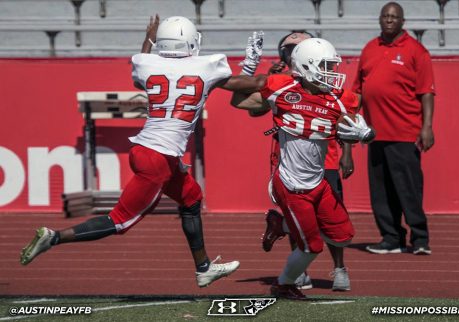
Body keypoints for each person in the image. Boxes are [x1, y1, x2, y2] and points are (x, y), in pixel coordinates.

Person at [19, 14, 254, 288]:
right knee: (119, 221)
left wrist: (148, 39)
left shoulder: (146, 62)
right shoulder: (207, 65)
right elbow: (243, 86)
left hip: (150, 151)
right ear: (191, 41)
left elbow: (138, 76)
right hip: (159, 159)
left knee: (191, 197)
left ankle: (204, 268)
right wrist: (250, 63)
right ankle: (54, 237)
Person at [231, 37, 376, 299]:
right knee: (312, 246)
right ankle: (284, 283)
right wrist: (250, 65)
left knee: (343, 236)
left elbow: (352, 122)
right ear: (307, 66)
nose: (333, 73)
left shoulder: (339, 98)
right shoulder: (282, 86)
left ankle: (282, 225)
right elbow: (242, 103)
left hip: (318, 179)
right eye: (327, 66)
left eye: (333, 66)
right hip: (292, 181)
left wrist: (360, 133)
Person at [352, 2, 435, 255]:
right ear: (379, 19)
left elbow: (427, 93)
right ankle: (391, 238)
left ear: (402, 21)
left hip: (405, 131)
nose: (389, 20)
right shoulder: (369, 48)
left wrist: (427, 127)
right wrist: (353, 121)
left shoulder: (415, 51)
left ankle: (419, 239)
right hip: (375, 133)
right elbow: (358, 89)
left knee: (407, 188)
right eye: (385, 16)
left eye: (394, 17)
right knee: (381, 192)